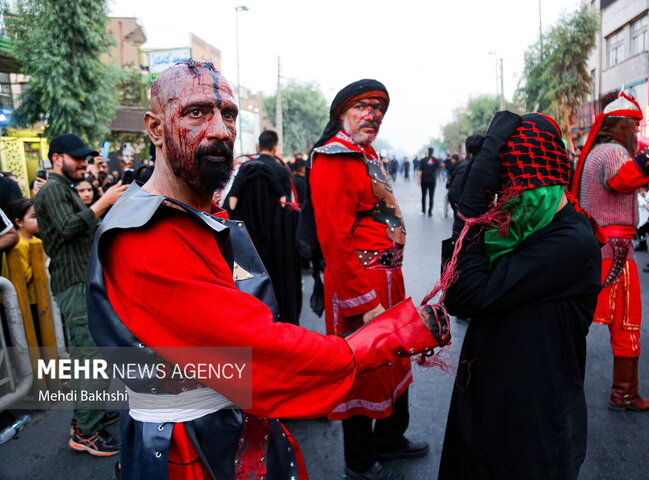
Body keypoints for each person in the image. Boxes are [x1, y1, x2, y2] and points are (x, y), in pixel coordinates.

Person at [87, 61, 449, 480]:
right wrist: (389, 335)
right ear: (154, 128)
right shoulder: (145, 235)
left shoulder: (193, 214)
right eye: (197, 112)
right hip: (194, 450)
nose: (221, 130)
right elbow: (257, 354)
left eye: (228, 115)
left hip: (229, 429)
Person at [439, 111, 602, 480]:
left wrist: (472, 210)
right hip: (489, 412)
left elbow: (465, 295)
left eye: (517, 188)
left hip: (534, 430)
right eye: (503, 189)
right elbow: (458, 287)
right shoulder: (515, 231)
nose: (508, 200)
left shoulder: (570, 243)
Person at [310, 79, 429, 480]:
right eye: (363, 106)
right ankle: (359, 461)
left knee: (395, 359)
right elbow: (333, 238)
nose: (372, 115)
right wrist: (364, 301)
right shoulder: (334, 158)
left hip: (387, 281)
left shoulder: (365, 153)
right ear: (341, 113)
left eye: (378, 108)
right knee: (362, 371)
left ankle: (390, 439)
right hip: (360, 286)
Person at [571, 93, 649, 411]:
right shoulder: (611, 151)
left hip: (599, 247)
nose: (637, 132)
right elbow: (625, 179)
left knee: (575, 321)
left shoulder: (599, 151)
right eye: (634, 126)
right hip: (615, 249)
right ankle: (624, 394)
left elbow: (641, 170)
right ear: (621, 125)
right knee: (626, 322)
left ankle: (572, 390)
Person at [34, 133, 128, 455]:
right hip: (73, 285)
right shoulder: (52, 190)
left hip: (80, 282)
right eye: (78, 159)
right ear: (57, 158)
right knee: (90, 358)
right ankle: (86, 431)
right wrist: (102, 202)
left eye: (86, 159)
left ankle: (89, 416)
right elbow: (68, 228)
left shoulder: (61, 189)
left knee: (89, 356)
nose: (84, 164)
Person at [225, 130, 303, 325]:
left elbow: (232, 204)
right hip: (279, 240)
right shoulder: (282, 170)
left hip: (249, 241)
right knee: (280, 286)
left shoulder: (245, 168)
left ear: (258, 147)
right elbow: (287, 205)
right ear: (275, 146)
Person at [418, 147, 440, 216]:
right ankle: (430, 212)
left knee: (423, 196)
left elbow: (420, 170)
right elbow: (438, 168)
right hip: (432, 180)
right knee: (431, 196)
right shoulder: (435, 160)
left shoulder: (423, 160)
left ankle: (423, 210)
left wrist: (418, 180)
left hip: (424, 180)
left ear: (427, 152)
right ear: (433, 152)